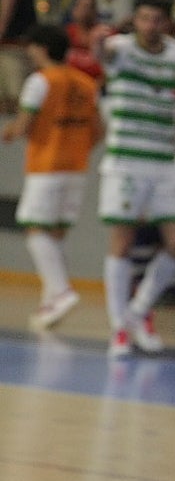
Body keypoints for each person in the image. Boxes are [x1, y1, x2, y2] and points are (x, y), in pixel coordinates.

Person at [98, 0, 175, 358]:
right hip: (124, 161)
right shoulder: (119, 49)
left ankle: (139, 311)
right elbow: (102, 55)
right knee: (121, 242)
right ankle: (118, 327)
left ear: (166, 22)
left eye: (156, 19)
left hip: (163, 161)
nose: (149, 26)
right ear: (134, 20)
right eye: (143, 18)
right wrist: (98, 39)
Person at [1, 24, 102, 329]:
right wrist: (80, 147)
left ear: (42, 48)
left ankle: (61, 290)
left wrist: (11, 131)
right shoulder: (87, 83)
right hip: (76, 167)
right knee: (55, 233)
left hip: (46, 165)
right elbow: (99, 130)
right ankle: (50, 303)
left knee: (34, 229)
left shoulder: (40, 81)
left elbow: (25, 124)